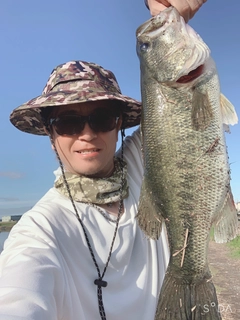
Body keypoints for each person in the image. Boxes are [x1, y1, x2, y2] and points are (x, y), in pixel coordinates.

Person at [0, 1, 206, 319]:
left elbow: (179, 98)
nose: (87, 134)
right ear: (50, 133)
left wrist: (173, 16)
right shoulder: (40, 228)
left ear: (119, 124)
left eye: (102, 118)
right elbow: (19, 296)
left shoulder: (143, 163)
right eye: (68, 122)